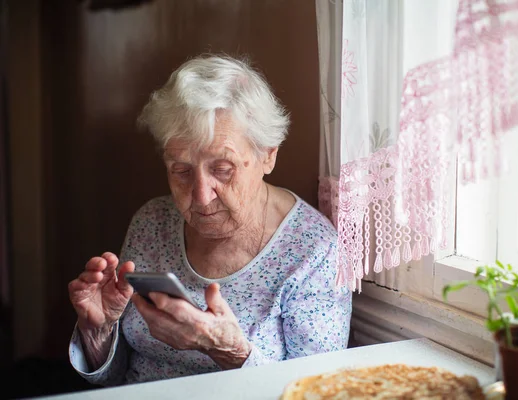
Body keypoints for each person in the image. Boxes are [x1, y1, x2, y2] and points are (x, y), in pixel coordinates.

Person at [67, 55, 352, 386]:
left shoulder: (314, 251)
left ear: (268, 155)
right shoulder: (151, 223)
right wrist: (98, 330)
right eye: (182, 171)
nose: (201, 195)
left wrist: (231, 352)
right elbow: (117, 380)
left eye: (222, 169)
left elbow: (317, 393)